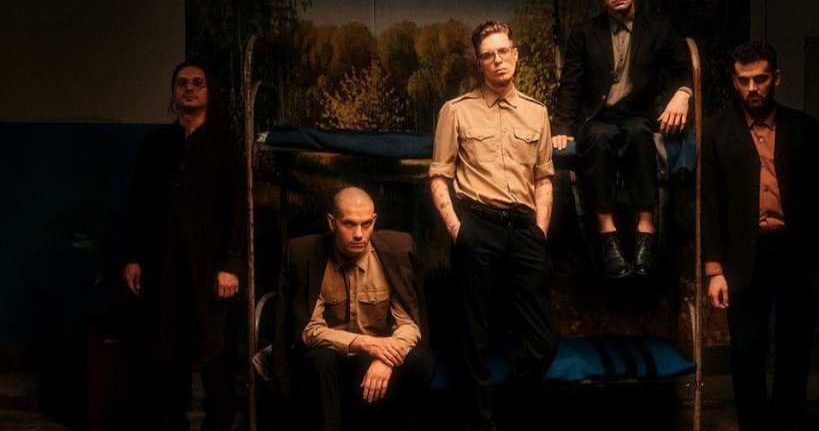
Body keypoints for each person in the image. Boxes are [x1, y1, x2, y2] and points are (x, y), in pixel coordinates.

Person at [702, 40, 819, 431]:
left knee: (795, 349)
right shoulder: (716, 131)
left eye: (760, 79)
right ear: (734, 81)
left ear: (776, 78)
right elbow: (710, 204)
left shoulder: (804, 129)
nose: (752, 88)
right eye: (744, 80)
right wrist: (714, 269)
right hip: (744, 256)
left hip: (798, 252)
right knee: (746, 351)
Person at [430, 21, 557, 431]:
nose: (498, 60)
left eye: (504, 52)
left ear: (515, 55)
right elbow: (439, 177)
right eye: (488, 55)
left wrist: (539, 231)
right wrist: (458, 231)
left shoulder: (537, 112)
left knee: (542, 344)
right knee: (474, 339)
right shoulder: (456, 110)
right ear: (478, 63)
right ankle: (481, 425)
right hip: (477, 225)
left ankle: (506, 412)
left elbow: (544, 179)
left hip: (524, 229)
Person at [550, 0, 693, 279]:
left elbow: (684, 70)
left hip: (638, 115)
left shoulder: (659, 28)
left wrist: (683, 94)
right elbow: (570, 85)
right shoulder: (584, 33)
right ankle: (607, 234)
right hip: (597, 118)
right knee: (598, 138)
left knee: (639, 134)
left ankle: (646, 229)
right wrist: (561, 127)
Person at [123, 61, 244, 431]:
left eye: (197, 82)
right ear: (173, 92)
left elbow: (237, 208)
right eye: (182, 83)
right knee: (166, 349)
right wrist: (134, 258)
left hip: (210, 266)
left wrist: (231, 265)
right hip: (163, 265)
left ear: (209, 91)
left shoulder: (225, 144)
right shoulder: (155, 145)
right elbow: (139, 206)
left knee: (214, 351)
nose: (189, 88)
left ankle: (218, 424)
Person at [272, 187, 434, 431]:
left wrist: (386, 358)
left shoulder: (397, 250)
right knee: (319, 360)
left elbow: (410, 325)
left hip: (377, 362)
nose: (359, 234)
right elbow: (309, 330)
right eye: (349, 224)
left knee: (420, 360)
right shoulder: (304, 253)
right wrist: (364, 343)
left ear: (374, 221)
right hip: (334, 360)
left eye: (366, 224)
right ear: (332, 222)